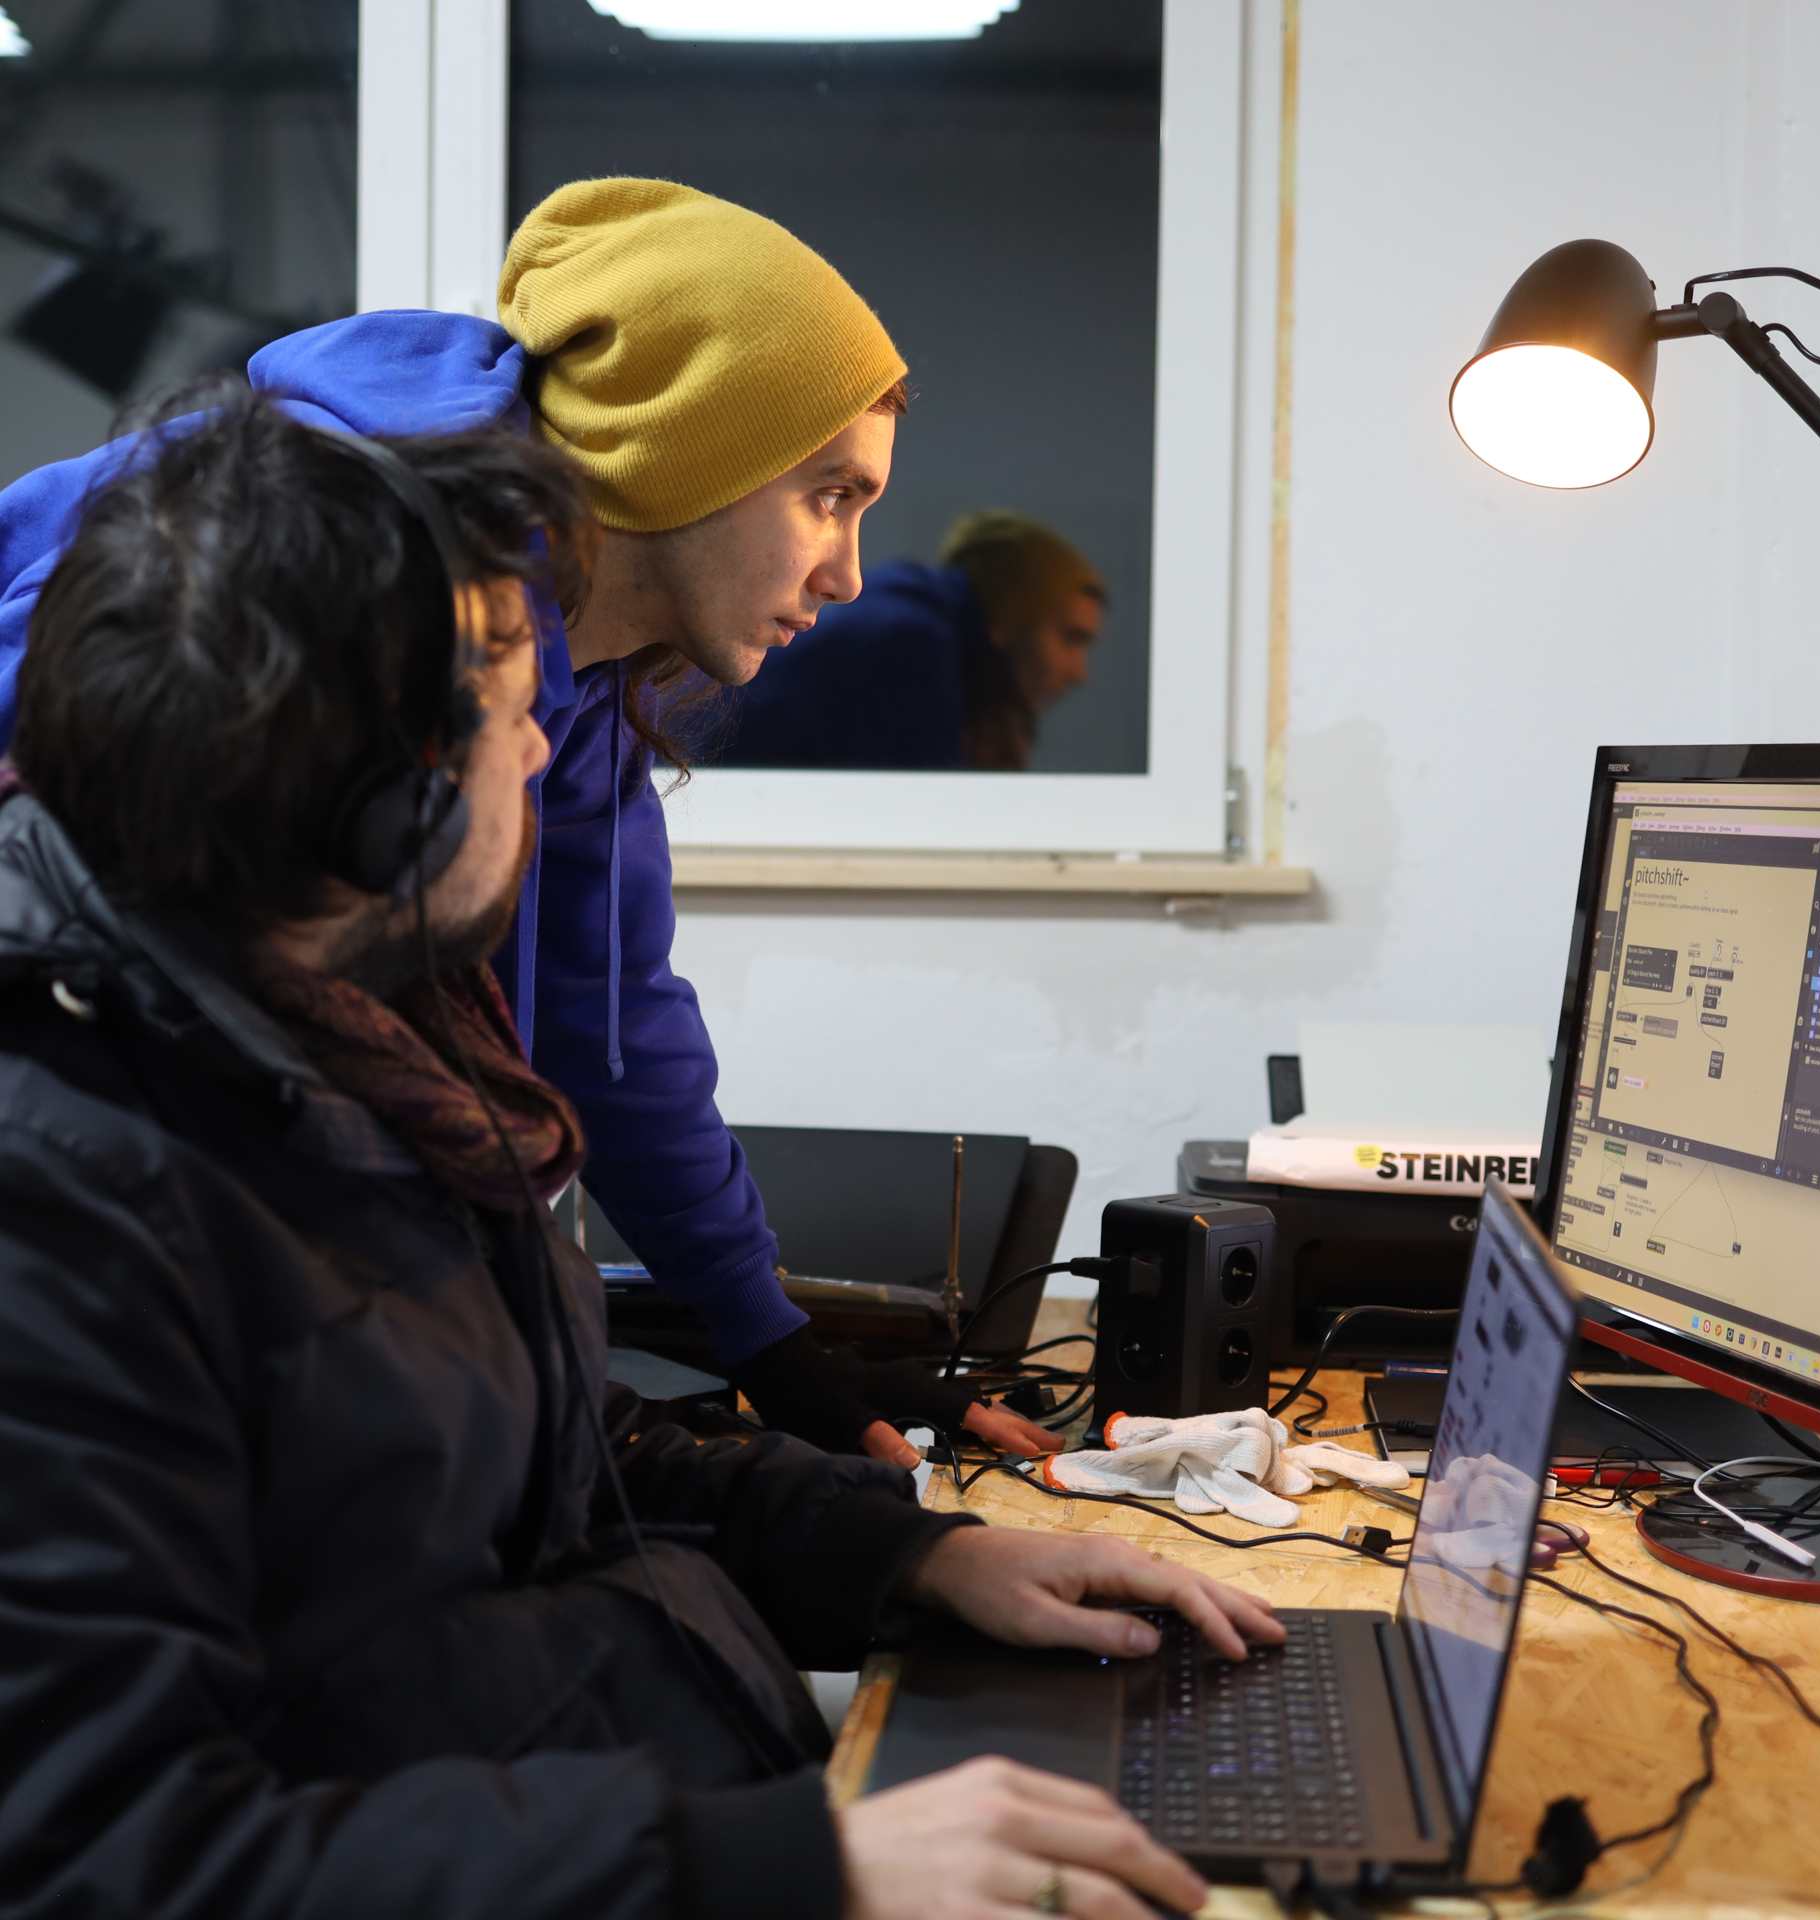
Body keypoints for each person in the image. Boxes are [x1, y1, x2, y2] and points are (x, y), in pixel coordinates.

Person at [0, 394, 1287, 1920]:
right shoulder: (63, 1199)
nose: (545, 741)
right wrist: (793, 1871)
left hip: (640, 1780)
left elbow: (545, 1452)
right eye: (509, 698)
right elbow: (104, 1864)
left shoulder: (362, 1046)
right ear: (380, 792)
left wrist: (916, 1562)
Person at [0, 177, 1044, 1469]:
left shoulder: (583, 683)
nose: (847, 574)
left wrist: (772, 1345)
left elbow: (615, 1027)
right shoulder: (320, 586)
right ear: (684, 449)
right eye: (828, 494)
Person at [714, 509, 1108, 772]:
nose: (1079, 673)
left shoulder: (914, 617)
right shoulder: (909, 645)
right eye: (1071, 638)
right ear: (1012, 614)